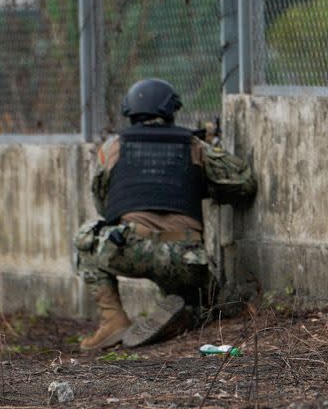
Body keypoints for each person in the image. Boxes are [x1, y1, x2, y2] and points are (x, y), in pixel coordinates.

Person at [73, 78, 256, 350]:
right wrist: (203, 175)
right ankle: (188, 315)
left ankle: (113, 320)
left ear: (131, 112)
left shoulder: (112, 148)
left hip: (130, 248)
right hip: (185, 257)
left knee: (85, 237)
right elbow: (243, 182)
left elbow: (105, 206)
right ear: (170, 111)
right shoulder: (195, 147)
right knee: (202, 300)